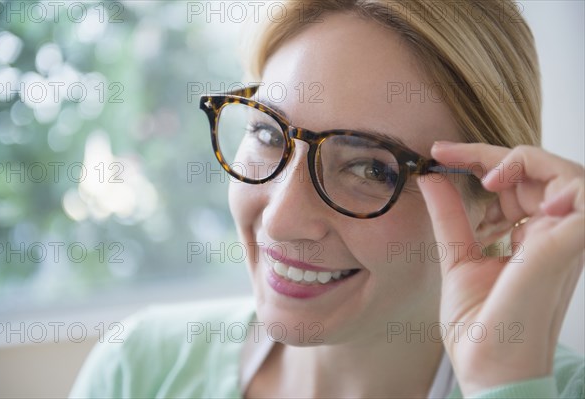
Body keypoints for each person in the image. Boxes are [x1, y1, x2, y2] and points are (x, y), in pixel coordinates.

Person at [70, 0, 585, 398]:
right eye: (269, 134)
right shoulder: (138, 368)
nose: (281, 218)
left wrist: (505, 384)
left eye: (370, 168)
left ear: (492, 208)